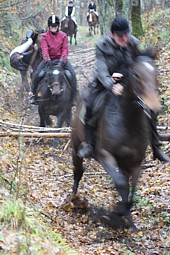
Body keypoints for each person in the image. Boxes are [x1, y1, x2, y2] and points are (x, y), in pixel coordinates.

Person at [77, 15, 170, 163]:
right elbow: (101, 70)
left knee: (151, 108)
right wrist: (110, 84)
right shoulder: (101, 45)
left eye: (126, 35)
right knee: (89, 103)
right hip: (104, 82)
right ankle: (89, 143)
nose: (124, 39)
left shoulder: (133, 42)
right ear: (112, 35)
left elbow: (137, 64)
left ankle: (156, 147)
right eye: (120, 36)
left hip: (129, 83)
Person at [29, 15, 77, 105]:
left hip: (61, 60)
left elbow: (65, 49)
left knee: (72, 75)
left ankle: (74, 97)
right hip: (48, 60)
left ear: (58, 26)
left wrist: (63, 59)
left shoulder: (63, 36)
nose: (54, 28)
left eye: (55, 26)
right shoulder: (44, 36)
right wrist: (47, 59)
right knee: (38, 74)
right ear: (49, 26)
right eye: (52, 26)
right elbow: (44, 49)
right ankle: (33, 95)